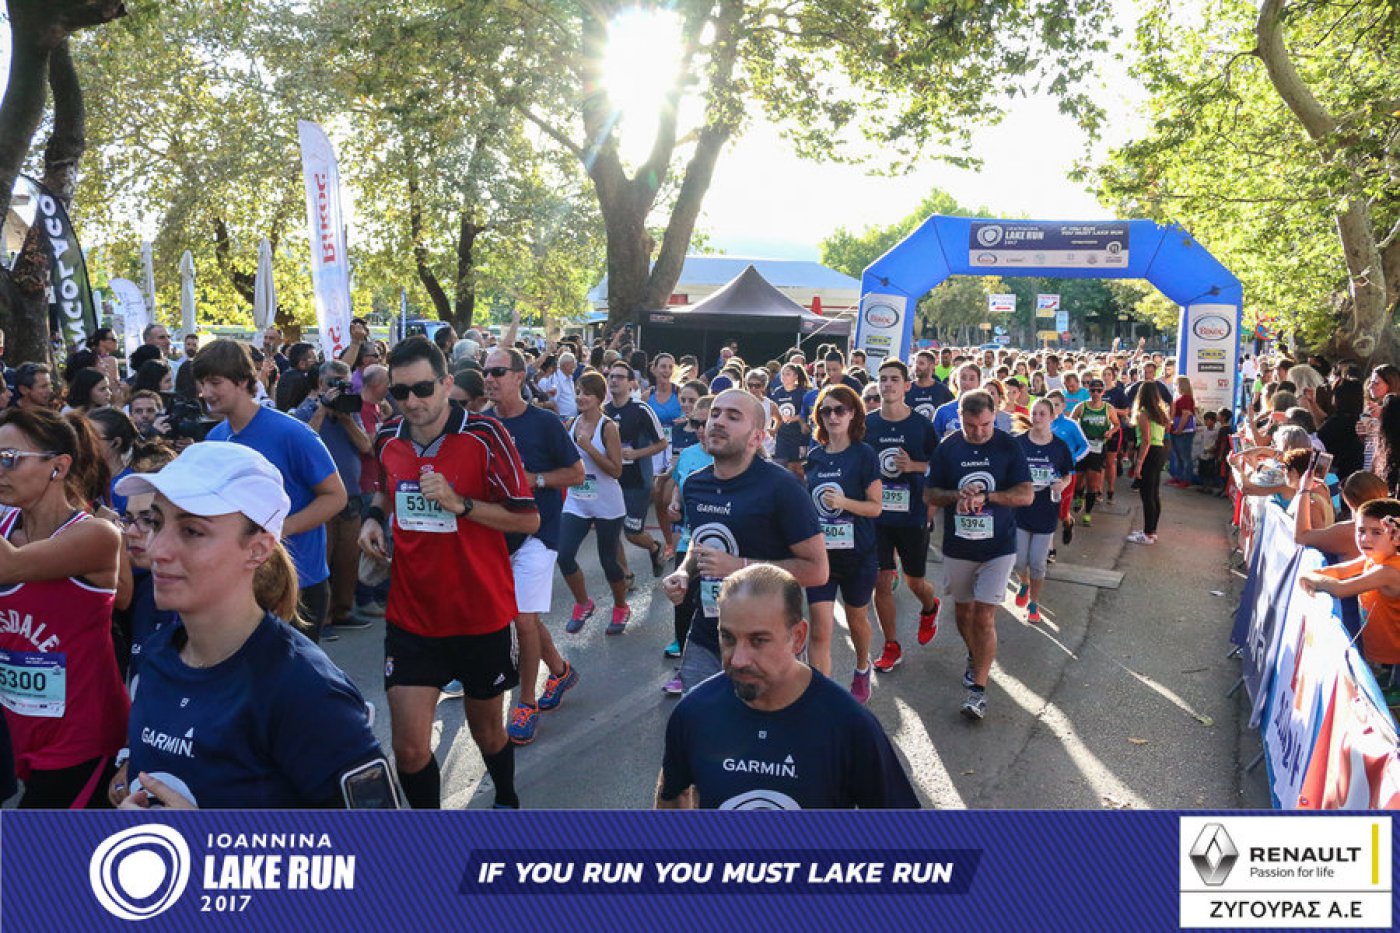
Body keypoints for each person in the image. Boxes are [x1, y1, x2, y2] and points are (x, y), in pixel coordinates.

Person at [109, 443, 390, 809]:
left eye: (192, 531)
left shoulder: (307, 690)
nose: (158, 548)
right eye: (156, 522)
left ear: (257, 549)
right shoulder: (157, 653)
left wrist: (215, 838)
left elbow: (382, 838)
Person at [359, 336, 537, 809]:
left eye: (422, 389)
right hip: (412, 618)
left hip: (480, 616)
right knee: (409, 748)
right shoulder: (388, 438)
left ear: (445, 384)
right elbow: (385, 488)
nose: (412, 401)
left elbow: (527, 519)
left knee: (488, 732)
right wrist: (374, 518)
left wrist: (461, 504)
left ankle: (506, 799)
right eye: (400, 392)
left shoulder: (486, 436)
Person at [655, 563, 918, 810]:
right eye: (728, 637)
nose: (738, 660)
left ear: (798, 637)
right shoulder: (694, 712)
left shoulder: (849, 726)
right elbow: (672, 793)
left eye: (758, 640)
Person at [0, 409, 127, 807]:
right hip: (19, 727)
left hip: (82, 738)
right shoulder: (6, 526)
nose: (0, 469)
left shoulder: (96, 535)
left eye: (9, 458)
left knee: (37, 846)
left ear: (58, 466)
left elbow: (10, 567)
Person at [662, 389, 827, 692]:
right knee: (699, 717)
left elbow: (817, 570)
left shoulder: (783, 487)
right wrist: (685, 572)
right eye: (715, 414)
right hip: (708, 633)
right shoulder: (695, 484)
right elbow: (702, 544)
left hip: (767, 640)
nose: (718, 421)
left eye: (733, 416)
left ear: (757, 437)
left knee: (765, 720)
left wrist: (740, 567)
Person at [195, 340, 347, 641]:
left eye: (214, 382)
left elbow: (335, 496)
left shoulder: (292, 432)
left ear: (243, 381)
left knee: (292, 672)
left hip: (299, 581)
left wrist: (279, 529)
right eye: (202, 383)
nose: (206, 392)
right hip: (239, 582)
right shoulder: (215, 437)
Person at [483, 347, 585, 745]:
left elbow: (576, 473)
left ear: (519, 376)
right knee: (520, 616)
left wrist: (535, 480)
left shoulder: (544, 422)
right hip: (496, 534)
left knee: (523, 621)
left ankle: (525, 703)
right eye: (486, 372)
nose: (489, 379)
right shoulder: (481, 423)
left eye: (497, 372)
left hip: (538, 534)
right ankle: (560, 671)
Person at [926, 389, 1034, 720]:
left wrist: (989, 496)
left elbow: (1026, 495)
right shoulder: (948, 448)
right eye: (971, 426)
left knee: (985, 615)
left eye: (985, 424)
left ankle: (978, 691)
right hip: (959, 545)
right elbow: (929, 494)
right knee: (964, 612)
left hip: (999, 546)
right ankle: (974, 654)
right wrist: (955, 495)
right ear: (960, 418)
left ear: (994, 415)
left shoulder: (1008, 445)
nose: (979, 432)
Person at [803, 384, 881, 699]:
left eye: (840, 410)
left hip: (858, 555)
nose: (833, 416)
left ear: (853, 414)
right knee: (820, 629)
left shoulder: (864, 455)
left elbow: (875, 507)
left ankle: (862, 667)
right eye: (826, 410)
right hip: (821, 558)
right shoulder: (814, 457)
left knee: (856, 619)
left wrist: (844, 503)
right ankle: (820, 697)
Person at [865, 361, 942, 674]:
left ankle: (930, 606)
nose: (888, 384)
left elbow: (940, 466)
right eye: (883, 379)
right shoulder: (867, 424)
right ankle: (891, 645)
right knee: (881, 582)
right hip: (877, 516)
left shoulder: (921, 425)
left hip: (911, 515)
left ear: (907, 386)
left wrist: (914, 467)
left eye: (894, 379)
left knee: (915, 582)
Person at [293, 360, 373, 638]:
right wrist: (323, 409)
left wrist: (347, 418)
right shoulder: (305, 410)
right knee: (321, 562)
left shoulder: (351, 409)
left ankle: (343, 611)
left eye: (344, 384)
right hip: (319, 499)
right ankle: (320, 619)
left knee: (348, 560)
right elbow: (303, 442)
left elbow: (365, 445)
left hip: (350, 496)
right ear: (320, 383)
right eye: (333, 383)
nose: (339, 389)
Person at [1298, 498, 1400, 702]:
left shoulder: (1389, 570)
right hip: (1381, 655)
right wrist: (1311, 574)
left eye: (1376, 532)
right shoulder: (1372, 559)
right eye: (1361, 531)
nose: (1365, 538)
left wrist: (1309, 578)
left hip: (1394, 663)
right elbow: (1336, 571)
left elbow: (1340, 589)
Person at [556, 371, 632, 635]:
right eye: (578, 392)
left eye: (587, 393)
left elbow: (616, 470)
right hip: (577, 500)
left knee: (608, 561)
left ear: (599, 398)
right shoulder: (571, 423)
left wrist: (589, 448)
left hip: (606, 503)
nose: (581, 397)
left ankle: (621, 607)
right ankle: (583, 603)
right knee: (564, 555)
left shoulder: (608, 427)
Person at [661, 394, 714, 693]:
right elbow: (679, 487)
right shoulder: (689, 454)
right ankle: (683, 668)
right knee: (682, 602)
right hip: (690, 539)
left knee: (716, 606)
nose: (701, 430)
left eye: (706, 423)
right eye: (696, 423)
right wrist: (674, 503)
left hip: (726, 544)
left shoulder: (730, 454)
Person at [604, 360, 668, 581]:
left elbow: (662, 443)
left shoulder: (641, 409)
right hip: (611, 481)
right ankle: (626, 575)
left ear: (631, 383)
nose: (614, 380)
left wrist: (636, 453)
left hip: (637, 481)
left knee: (632, 534)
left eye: (620, 377)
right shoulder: (604, 411)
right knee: (610, 533)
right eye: (611, 376)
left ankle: (654, 547)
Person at [1013, 400, 1073, 623]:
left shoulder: (1059, 446)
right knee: (1019, 562)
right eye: (1034, 413)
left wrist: (1062, 484)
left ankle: (1034, 604)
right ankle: (1024, 583)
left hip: (1046, 510)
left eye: (1042, 414)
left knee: (1038, 564)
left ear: (1051, 417)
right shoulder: (1018, 443)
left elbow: (1067, 473)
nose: (1037, 417)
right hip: (1020, 509)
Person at [1127, 379, 1171, 545]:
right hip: (1159, 450)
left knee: (1147, 495)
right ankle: (1151, 531)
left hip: (1149, 452)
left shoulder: (1144, 413)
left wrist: (1139, 463)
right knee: (1153, 493)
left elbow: (1146, 440)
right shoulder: (1160, 413)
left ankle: (1147, 534)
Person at [1070, 378, 1116, 527]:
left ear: (1103, 392)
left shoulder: (1108, 408)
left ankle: (1088, 513)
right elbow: (1071, 423)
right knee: (1077, 482)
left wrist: (1110, 432)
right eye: (1092, 390)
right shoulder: (1081, 407)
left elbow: (1116, 424)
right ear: (1088, 391)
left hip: (1098, 448)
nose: (1096, 393)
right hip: (1082, 449)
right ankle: (1078, 496)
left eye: (1099, 391)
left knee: (1093, 483)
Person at [906, 349, 954, 421]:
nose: (917, 366)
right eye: (916, 363)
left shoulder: (942, 390)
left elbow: (952, 411)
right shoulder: (907, 388)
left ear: (932, 366)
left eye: (921, 363)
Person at [1167, 375, 1198, 487]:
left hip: (1184, 431)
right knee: (1178, 456)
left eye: (1176, 384)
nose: (1174, 387)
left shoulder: (1186, 398)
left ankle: (1186, 479)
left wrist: (1179, 428)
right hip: (1177, 430)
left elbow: (1186, 414)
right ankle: (1179, 477)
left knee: (1184, 456)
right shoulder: (1181, 397)